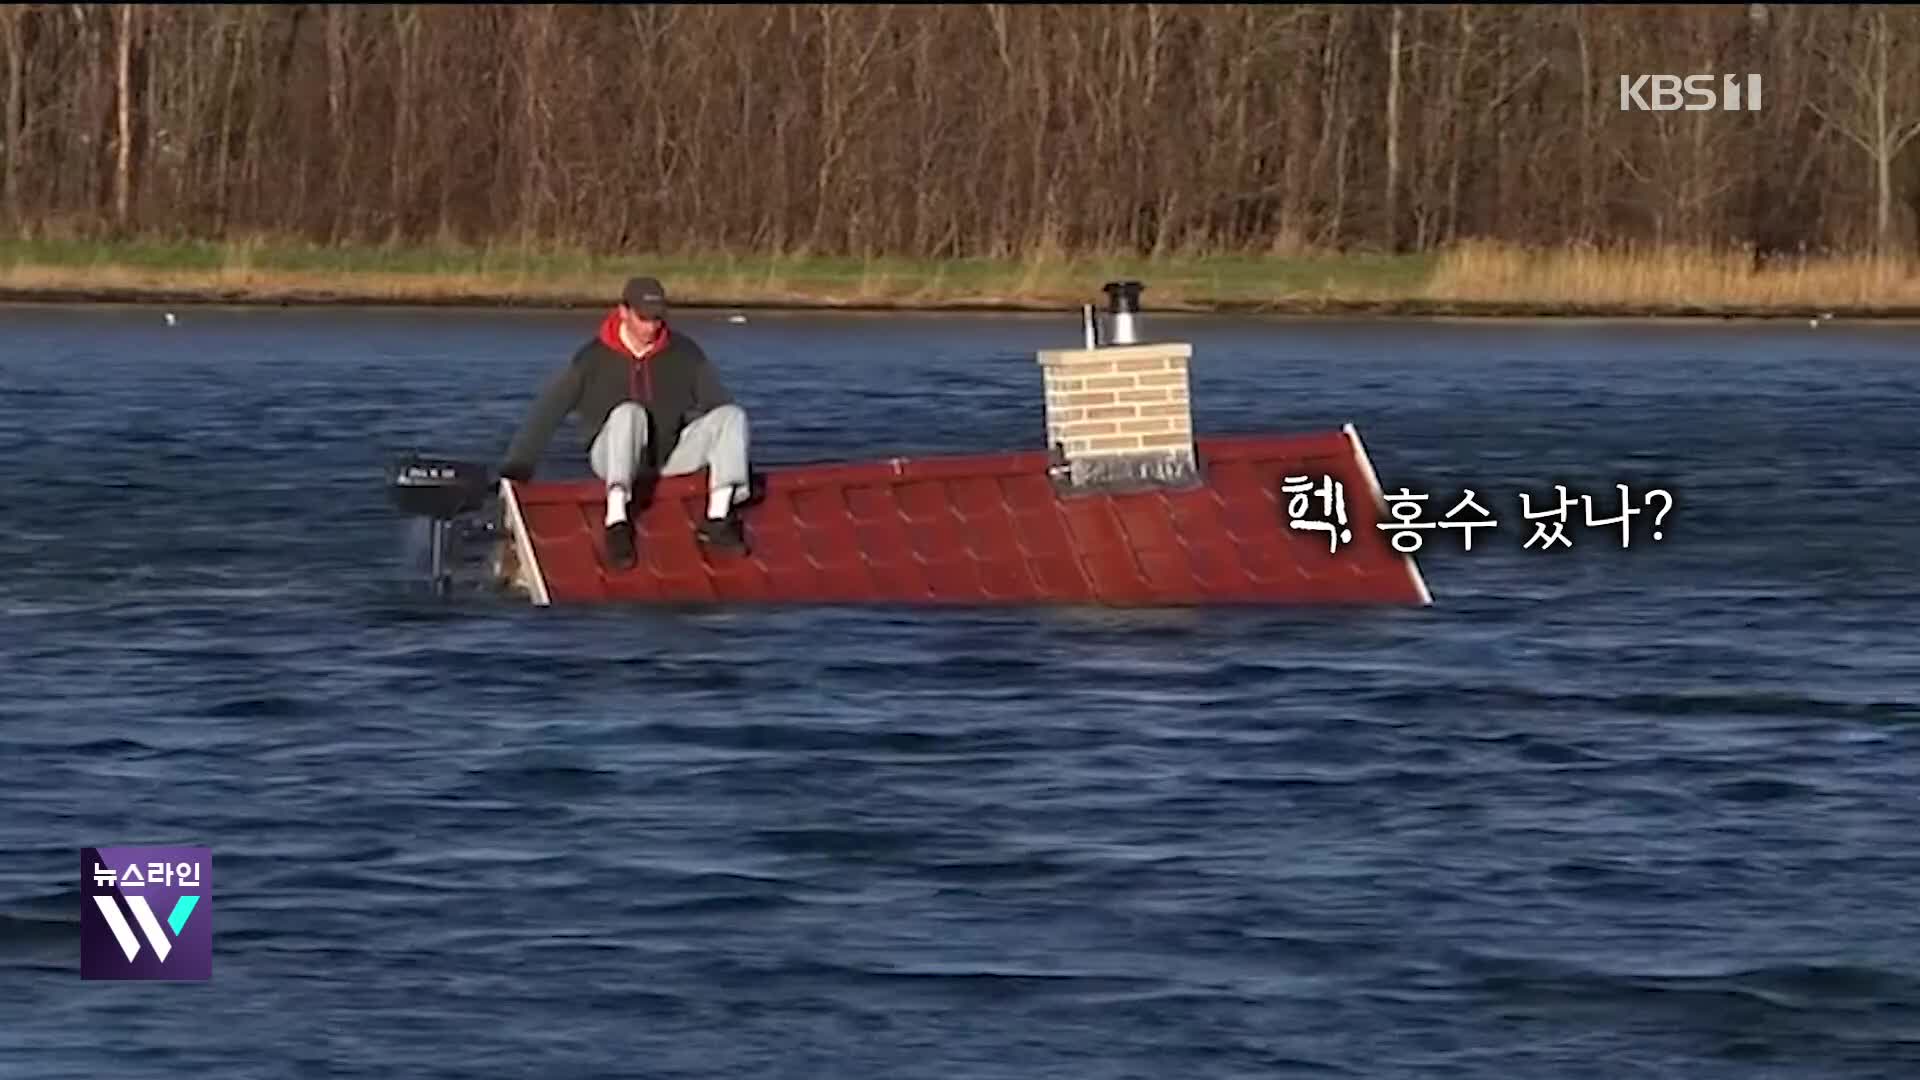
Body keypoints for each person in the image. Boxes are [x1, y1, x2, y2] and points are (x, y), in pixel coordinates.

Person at [496, 276, 752, 567]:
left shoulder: (686, 353)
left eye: (657, 319)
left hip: (667, 455)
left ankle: (717, 519)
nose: (651, 327)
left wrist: (736, 460)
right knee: (629, 412)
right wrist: (518, 466)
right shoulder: (591, 358)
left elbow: (718, 405)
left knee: (732, 415)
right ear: (623, 312)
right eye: (643, 319)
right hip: (610, 455)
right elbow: (547, 411)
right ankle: (616, 521)